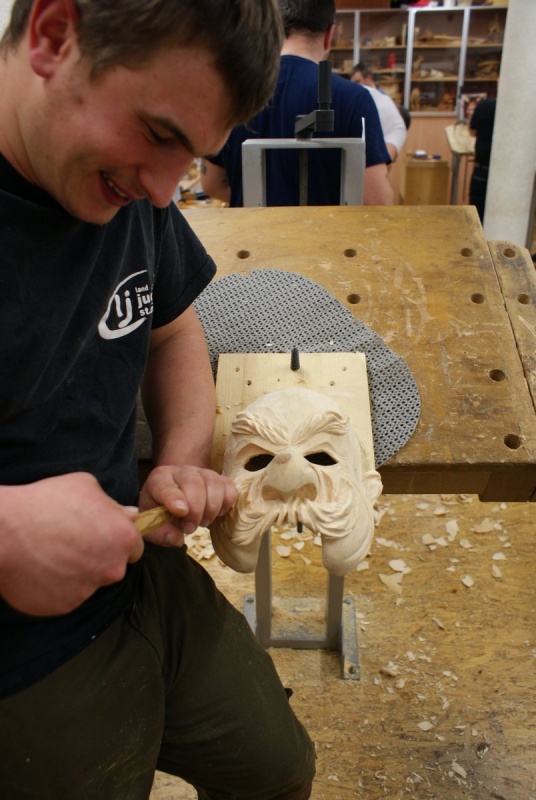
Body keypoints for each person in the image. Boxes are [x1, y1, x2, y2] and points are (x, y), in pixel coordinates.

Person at [0, 2, 316, 799]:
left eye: (193, 158)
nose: (164, 190)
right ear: (54, 35)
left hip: (141, 579)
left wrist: (180, 456)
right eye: (159, 134)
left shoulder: (133, 192)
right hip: (20, 659)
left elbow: (172, 329)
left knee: (275, 769)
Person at [202, 0, 394, 207]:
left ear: (272, 28)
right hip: (326, 228)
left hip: (251, 227)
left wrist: (264, 206)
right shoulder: (355, 98)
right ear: (329, 35)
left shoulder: (234, 93)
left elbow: (212, 184)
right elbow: (376, 201)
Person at [350, 62, 409, 165]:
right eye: (353, 83)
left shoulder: (382, 99)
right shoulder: (369, 97)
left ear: (368, 78)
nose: (355, 86)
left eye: (358, 81)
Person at [469, 96, 497, 223]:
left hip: (482, 168)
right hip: (509, 174)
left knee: (476, 217)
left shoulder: (484, 105)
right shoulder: (522, 109)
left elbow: (472, 131)